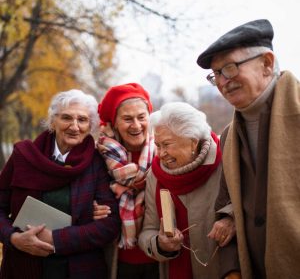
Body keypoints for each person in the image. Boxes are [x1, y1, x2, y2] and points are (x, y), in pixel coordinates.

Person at [196, 19, 300, 278]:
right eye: (216, 74)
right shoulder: (230, 136)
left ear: (266, 63)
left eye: (229, 68)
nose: (222, 81)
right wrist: (231, 268)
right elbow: (226, 207)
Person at [0, 89, 120, 279]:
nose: (74, 126)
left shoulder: (97, 163)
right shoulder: (23, 156)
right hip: (23, 265)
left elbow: (110, 226)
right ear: (53, 121)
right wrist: (14, 238)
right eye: (66, 118)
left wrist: (56, 239)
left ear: (90, 126)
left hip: (80, 269)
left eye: (82, 120)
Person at [138, 102, 236, 279]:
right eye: (158, 145)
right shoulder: (155, 175)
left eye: (167, 144)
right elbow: (148, 231)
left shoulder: (227, 157)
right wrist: (160, 244)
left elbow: (254, 201)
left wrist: (231, 217)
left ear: (193, 142)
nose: (160, 154)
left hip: (224, 270)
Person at [94, 83, 159, 279]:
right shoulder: (99, 156)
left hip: (159, 258)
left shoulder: (164, 151)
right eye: (127, 119)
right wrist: (90, 208)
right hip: (116, 259)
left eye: (141, 117)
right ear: (113, 123)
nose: (137, 125)